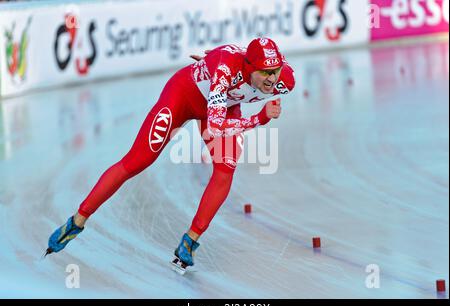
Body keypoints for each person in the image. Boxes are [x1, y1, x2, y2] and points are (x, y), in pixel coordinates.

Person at [46, 37, 296, 270]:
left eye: (275, 71)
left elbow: (236, 64)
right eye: (264, 72)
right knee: (137, 161)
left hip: (224, 107)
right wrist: (259, 118)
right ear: (249, 67)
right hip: (183, 96)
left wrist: (215, 62)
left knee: (225, 171)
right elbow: (217, 127)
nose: (271, 79)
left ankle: (190, 241)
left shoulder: (285, 81)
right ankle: (77, 221)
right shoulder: (225, 72)